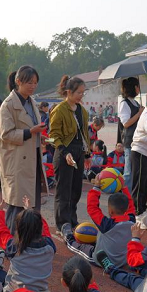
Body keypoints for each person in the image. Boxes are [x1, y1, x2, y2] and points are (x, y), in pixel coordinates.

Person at [0, 66, 47, 232]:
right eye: (29, 82)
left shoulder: (32, 102)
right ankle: (11, 241)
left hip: (33, 156)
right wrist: (30, 132)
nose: (33, 86)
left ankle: (30, 238)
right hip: (18, 160)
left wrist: (40, 136)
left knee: (33, 202)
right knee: (17, 203)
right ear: (18, 82)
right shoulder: (8, 105)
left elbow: (32, 128)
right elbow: (6, 134)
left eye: (35, 83)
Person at [0, 194, 55, 292]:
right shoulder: (50, 245)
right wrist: (31, 211)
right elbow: (45, 229)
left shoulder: (15, 247)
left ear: (19, 229)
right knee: (2, 275)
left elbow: (0, 231)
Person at [50, 75, 91, 233]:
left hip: (79, 152)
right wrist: (64, 152)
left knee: (76, 189)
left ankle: (72, 220)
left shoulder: (82, 111)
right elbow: (52, 136)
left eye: (83, 92)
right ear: (68, 92)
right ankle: (62, 224)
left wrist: (87, 155)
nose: (81, 95)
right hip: (64, 153)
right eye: (79, 92)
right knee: (63, 191)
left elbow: (85, 133)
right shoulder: (59, 110)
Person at [117, 77, 143, 189]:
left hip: (138, 139)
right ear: (135, 87)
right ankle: (124, 193)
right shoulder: (124, 103)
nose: (139, 89)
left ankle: (132, 192)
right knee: (128, 171)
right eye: (138, 87)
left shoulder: (136, 103)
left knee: (136, 169)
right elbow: (126, 123)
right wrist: (139, 113)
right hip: (130, 140)